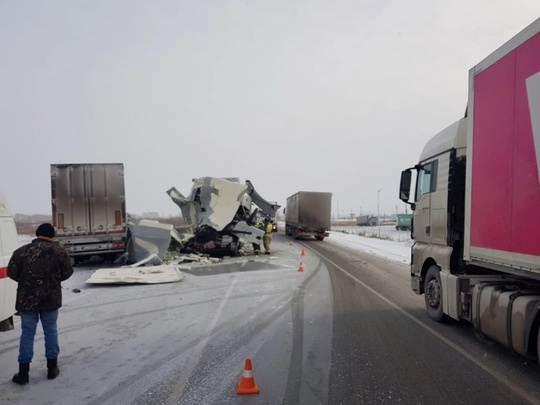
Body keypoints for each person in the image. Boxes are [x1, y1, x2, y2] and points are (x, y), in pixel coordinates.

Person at [8, 223, 74, 385]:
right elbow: (68, 272)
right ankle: (52, 368)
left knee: (27, 334)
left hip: (27, 300)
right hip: (50, 299)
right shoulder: (59, 251)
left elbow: (12, 272)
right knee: (51, 331)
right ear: (52, 236)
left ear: (37, 234)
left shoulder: (21, 252)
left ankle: (23, 373)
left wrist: (27, 283)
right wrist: (52, 280)